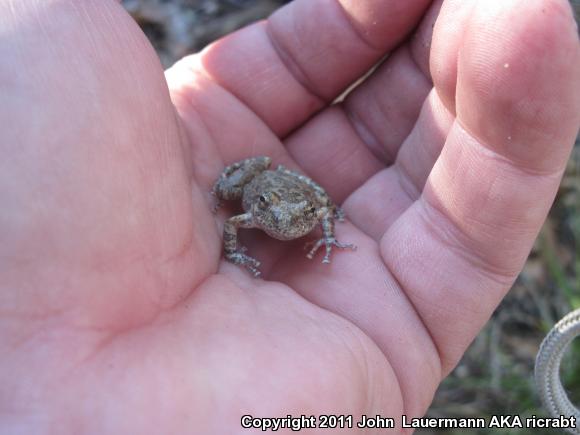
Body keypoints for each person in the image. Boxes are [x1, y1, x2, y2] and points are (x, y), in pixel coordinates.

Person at [1, 0, 578, 433]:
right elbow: (233, 223)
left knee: (323, 201)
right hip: (263, 179)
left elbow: (325, 212)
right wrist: (239, 235)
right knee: (231, 186)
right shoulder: (256, 211)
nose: (279, 221)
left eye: (291, 218)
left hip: (293, 185)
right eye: (275, 218)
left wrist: (323, 233)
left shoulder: (303, 211)